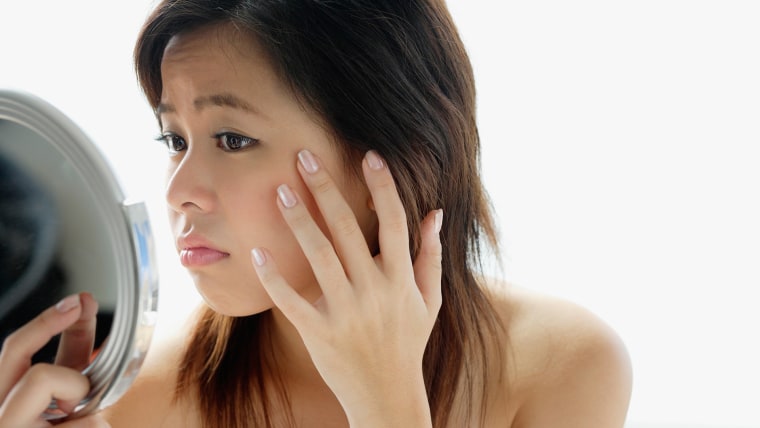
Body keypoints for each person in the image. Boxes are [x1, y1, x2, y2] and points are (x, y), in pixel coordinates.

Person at [0, 0, 632, 426]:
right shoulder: (144, 404)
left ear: (390, 156)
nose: (179, 190)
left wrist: (387, 403)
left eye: (233, 139)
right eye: (174, 140)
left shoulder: (562, 364)